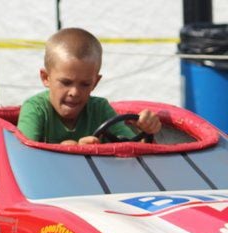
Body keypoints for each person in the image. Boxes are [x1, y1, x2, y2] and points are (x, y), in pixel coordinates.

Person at [17, 27, 161, 145]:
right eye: (66, 82)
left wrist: (147, 130)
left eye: (85, 84)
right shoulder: (35, 109)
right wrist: (67, 151)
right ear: (45, 78)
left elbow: (131, 148)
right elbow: (22, 157)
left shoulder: (100, 109)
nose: (74, 92)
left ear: (95, 83)